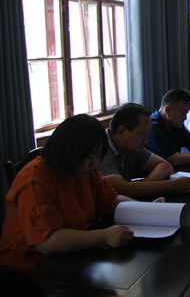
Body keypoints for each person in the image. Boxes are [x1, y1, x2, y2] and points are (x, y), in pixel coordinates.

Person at [0, 115, 139, 272]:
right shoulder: (35, 180)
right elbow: (47, 241)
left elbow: (111, 201)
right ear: (67, 151)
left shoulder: (84, 170)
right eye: (88, 156)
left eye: (98, 155)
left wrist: (147, 209)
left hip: (71, 256)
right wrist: (105, 236)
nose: (94, 163)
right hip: (29, 268)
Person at [98, 103, 190, 199]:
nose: (146, 140)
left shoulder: (132, 147)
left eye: (147, 134)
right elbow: (121, 190)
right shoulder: (101, 150)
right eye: (142, 134)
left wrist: (143, 187)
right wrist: (172, 185)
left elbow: (165, 166)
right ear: (121, 131)